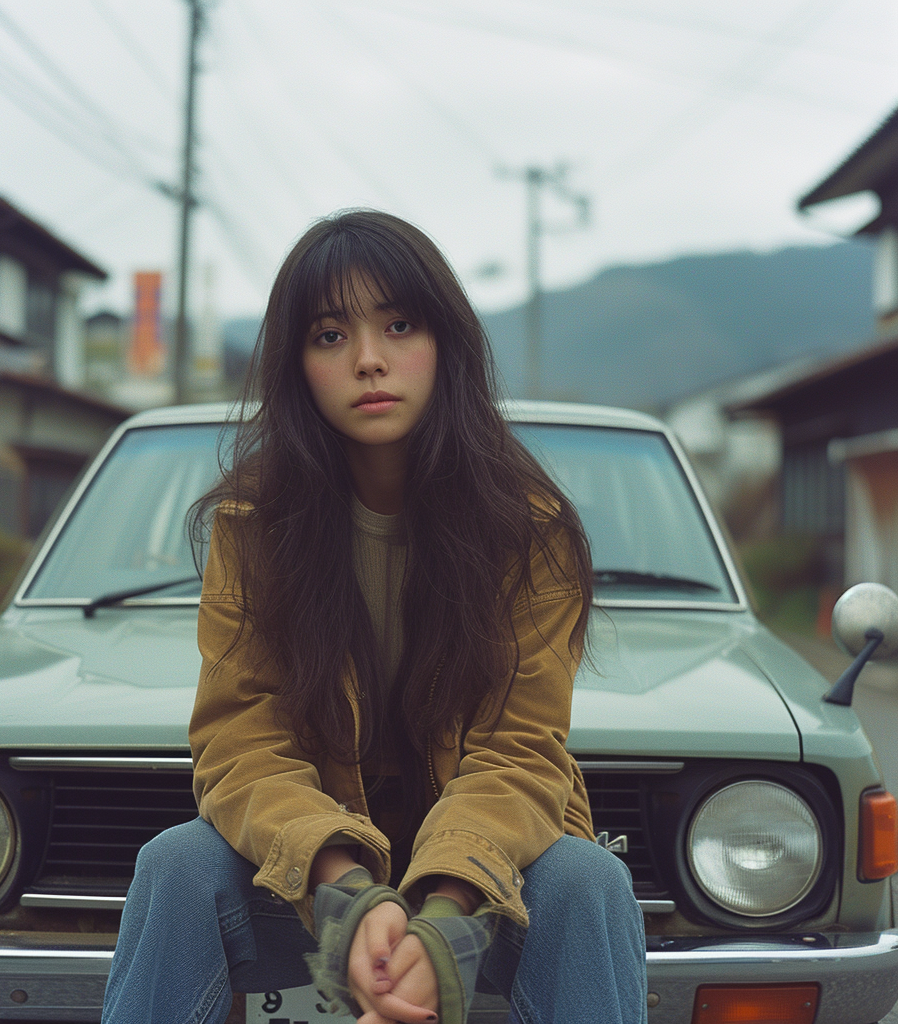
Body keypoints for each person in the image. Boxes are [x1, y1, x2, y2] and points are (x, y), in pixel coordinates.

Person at [101, 210, 646, 1024]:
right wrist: (348, 891)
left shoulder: (529, 529)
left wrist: (447, 923)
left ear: (446, 343)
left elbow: (523, 752)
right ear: (297, 366)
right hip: (310, 877)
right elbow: (241, 740)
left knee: (590, 878)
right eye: (329, 336)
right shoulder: (254, 525)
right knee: (175, 862)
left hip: (486, 881)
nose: (368, 360)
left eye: (399, 324)